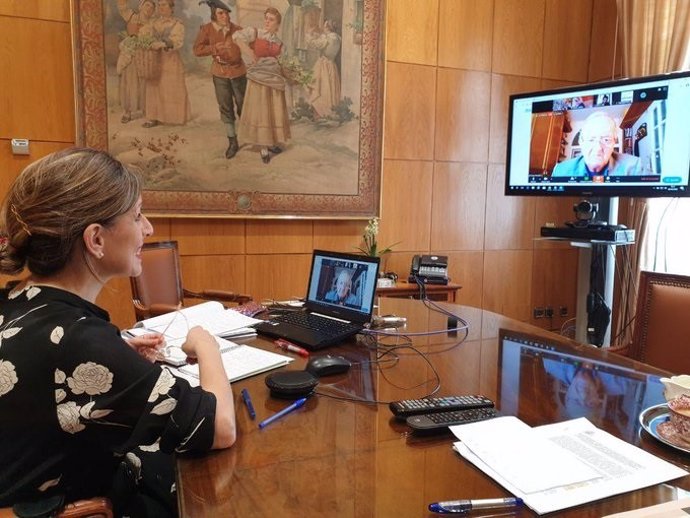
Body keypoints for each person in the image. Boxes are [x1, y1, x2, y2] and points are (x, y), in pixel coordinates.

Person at [0, 148, 235, 517]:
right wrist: (206, 345)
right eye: (138, 215)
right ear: (95, 239)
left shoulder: (15, 301)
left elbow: (40, 375)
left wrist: (117, 349)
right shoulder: (80, 340)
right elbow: (220, 427)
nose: (148, 229)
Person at [233, 7, 291, 164]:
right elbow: (237, 37)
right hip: (258, 79)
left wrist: (293, 75)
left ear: (277, 24)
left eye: (271, 19)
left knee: (273, 113)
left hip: (274, 81)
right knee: (262, 112)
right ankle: (263, 147)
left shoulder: (280, 44)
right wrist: (250, 53)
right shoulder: (256, 33)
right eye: (266, 18)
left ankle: (271, 142)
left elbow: (283, 64)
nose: (267, 21)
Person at [193, 0, 247, 159]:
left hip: (239, 72)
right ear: (214, 15)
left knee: (244, 105)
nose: (225, 16)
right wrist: (214, 48)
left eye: (226, 13)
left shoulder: (237, 29)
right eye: (220, 13)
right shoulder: (207, 29)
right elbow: (197, 50)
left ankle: (251, 137)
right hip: (220, 73)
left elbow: (250, 45)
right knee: (225, 107)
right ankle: (232, 142)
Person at [139, 0, 191, 128]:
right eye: (159, 5)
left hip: (171, 59)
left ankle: (175, 117)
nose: (160, 8)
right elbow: (144, 33)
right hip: (155, 59)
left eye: (164, 5)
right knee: (154, 86)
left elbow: (178, 41)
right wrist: (146, 40)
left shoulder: (177, 24)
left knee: (171, 86)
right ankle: (153, 117)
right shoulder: (153, 22)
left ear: (171, 8)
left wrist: (162, 44)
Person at [552, 111, 645, 178]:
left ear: (614, 142)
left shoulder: (634, 168)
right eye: (591, 139)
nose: (598, 148)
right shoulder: (561, 171)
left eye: (606, 139)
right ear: (581, 141)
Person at [116, 0, 155, 124]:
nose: (149, 8)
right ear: (141, 6)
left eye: (152, 7)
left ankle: (145, 109)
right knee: (129, 81)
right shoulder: (132, 16)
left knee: (144, 82)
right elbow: (122, 7)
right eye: (147, 5)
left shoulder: (153, 23)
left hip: (145, 55)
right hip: (130, 54)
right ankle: (127, 112)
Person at [306, 20, 342, 118]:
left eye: (324, 25)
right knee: (329, 88)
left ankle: (320, 112)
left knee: (321, 89)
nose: (322, 27)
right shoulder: (338, 38)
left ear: (327, 27)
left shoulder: (326, 38)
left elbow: (314, 44)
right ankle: (329, 111)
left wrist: (309, 34)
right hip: (332, 65)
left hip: (323, 65)